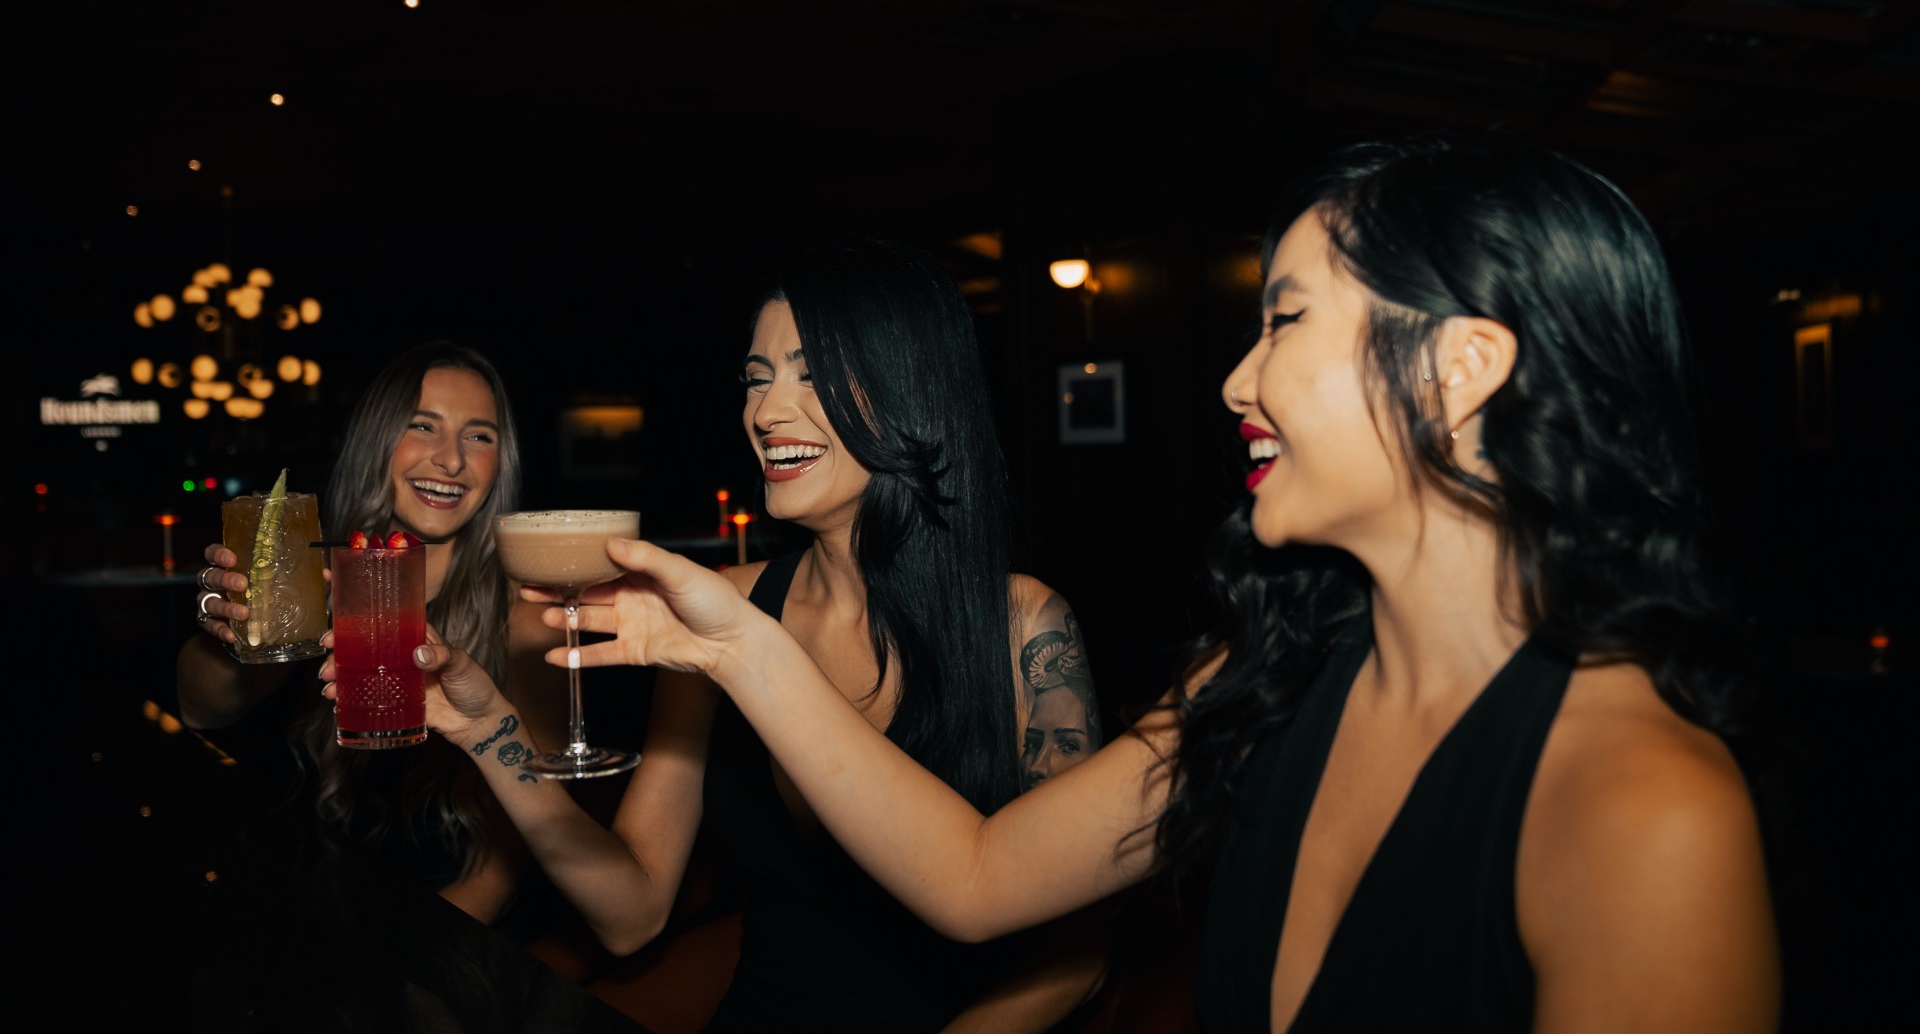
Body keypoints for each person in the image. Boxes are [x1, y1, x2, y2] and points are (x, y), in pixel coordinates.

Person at [548, 136, 1782, 1031]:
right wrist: (732, 648)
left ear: (1459, 370)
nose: (1239, 383)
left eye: (1287, 322)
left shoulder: (1645, 808)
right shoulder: (1264, 685)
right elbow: (978, 881)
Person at [390, 237, 1110, 1031]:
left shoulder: (1025, 626)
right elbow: (630, 911)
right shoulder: (721, 606)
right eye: (758, 379)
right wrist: (492, 731)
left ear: (912, 387)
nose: (766, 413)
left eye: (814, 375)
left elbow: (1074, 955)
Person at [178, 341, 562, 924]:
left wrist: (417, 969)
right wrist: (233, 635)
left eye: (479, 435)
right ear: (376, 440)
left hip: (450, 927)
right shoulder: (312, 572)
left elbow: (520, 846)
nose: (451, 460)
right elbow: (201, 710)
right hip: (308, 908)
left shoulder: (529, 615)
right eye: (422, 425)